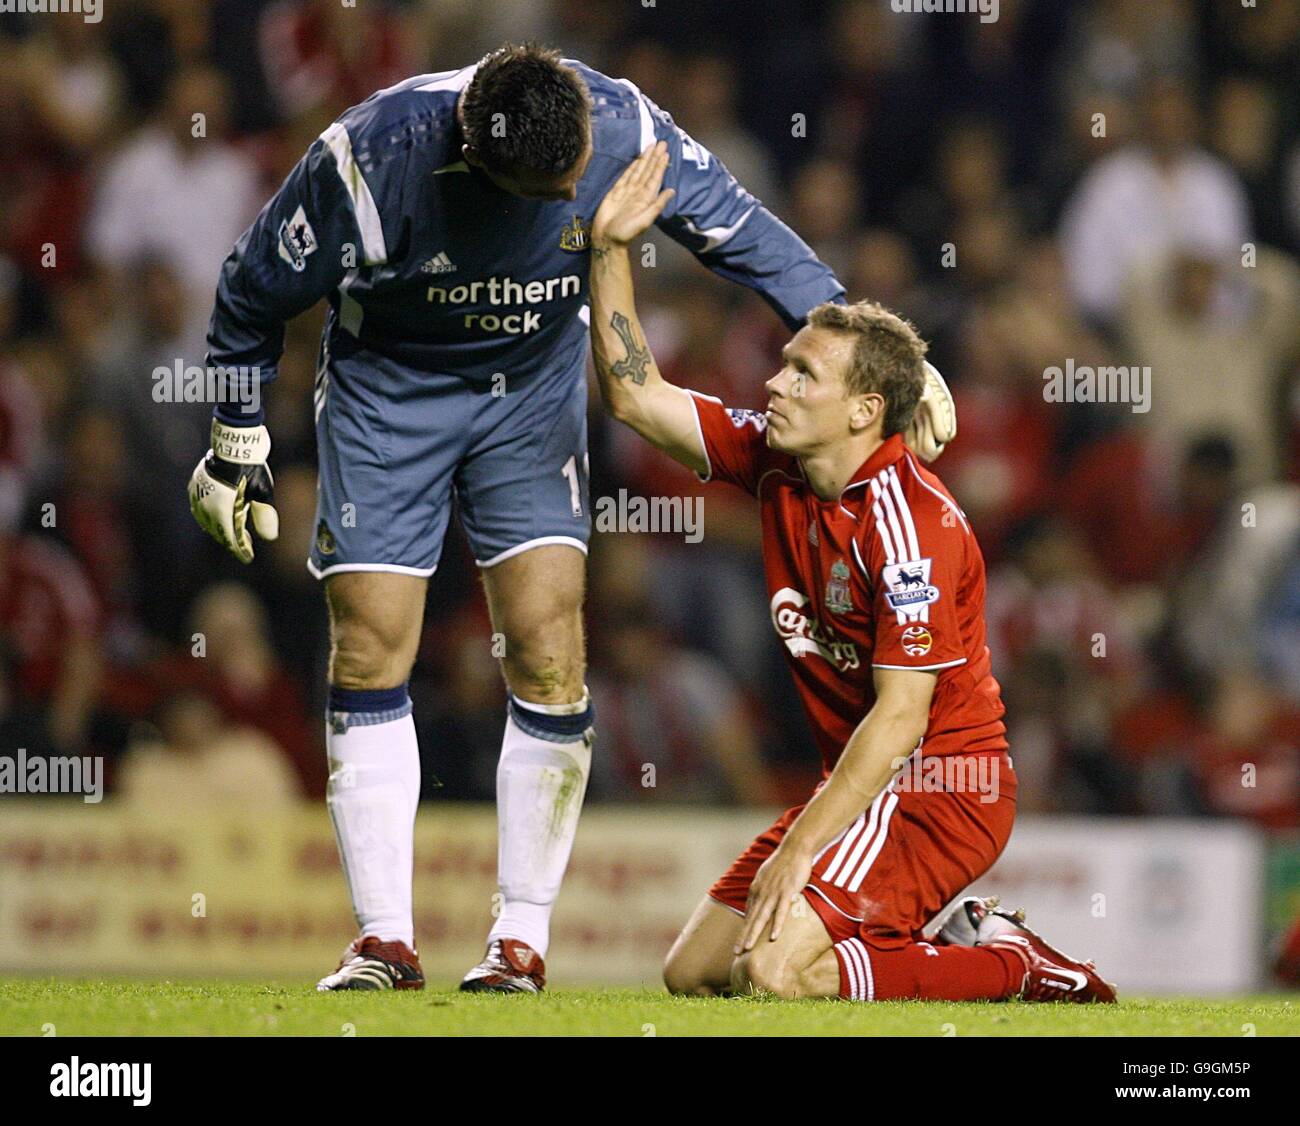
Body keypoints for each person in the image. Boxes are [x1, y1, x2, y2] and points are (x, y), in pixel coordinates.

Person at [187, 43, 852, 993]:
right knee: (372, 646)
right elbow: (250, 292)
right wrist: (235, 438)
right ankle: (382, 939)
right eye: (553, 191)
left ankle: (520, 942)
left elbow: (745, 233)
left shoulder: (618, 127)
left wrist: (864, 345)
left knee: (547, 647)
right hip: (389, 389)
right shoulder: (366, 162)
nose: (578, 187)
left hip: (529, 392)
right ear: (475, 158)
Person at [585, 143, 1116, 1003]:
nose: (775, 381)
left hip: (941, 788)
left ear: (866, 410)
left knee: (770, 974)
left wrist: (803, 846)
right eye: (785, 362)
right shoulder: (773, 458)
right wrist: (608, 250)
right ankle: (933, 935)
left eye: (803, 373)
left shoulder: (912, 527)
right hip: (863, 787)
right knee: (691, 974)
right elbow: (636, 396)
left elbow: (905, 716)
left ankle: (1015, 962)